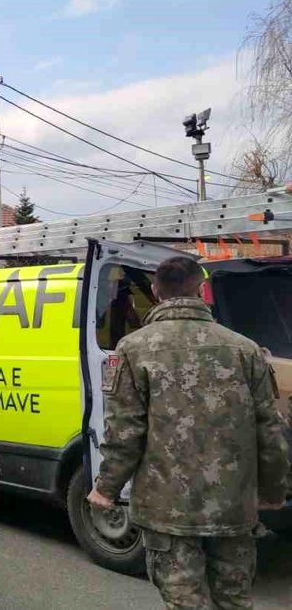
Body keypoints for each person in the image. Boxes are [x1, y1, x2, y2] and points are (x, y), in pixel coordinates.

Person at [88, 255, 289, 609]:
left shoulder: (133, 349)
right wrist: (273, 490)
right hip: (233, 506)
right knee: (235, 599)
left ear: (155, 292)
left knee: (185, 601)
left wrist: (105, 489)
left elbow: (124, 431)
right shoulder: (246, 349)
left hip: (167, 510)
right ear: (203, 290)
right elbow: (270, 428)